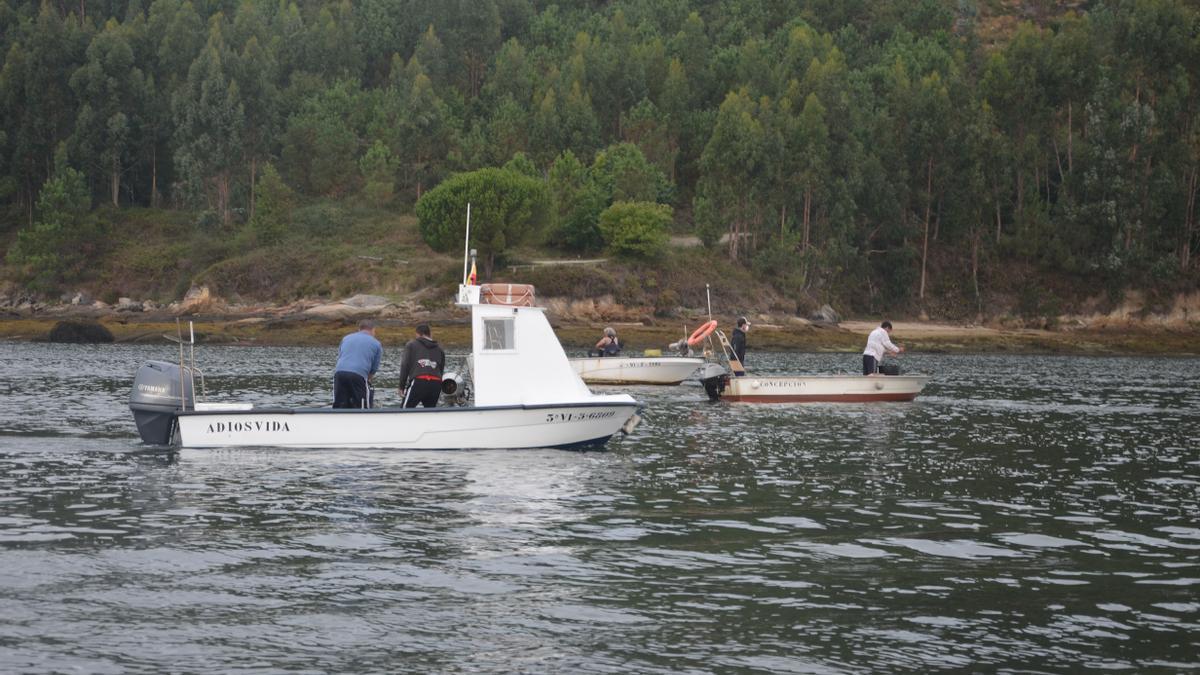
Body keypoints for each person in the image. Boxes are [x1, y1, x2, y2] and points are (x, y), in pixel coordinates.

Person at [333, 319, 382, 409]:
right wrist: (368, 379)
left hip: (339, 372)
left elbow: (340, 355)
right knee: (362, 404)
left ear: (359, 329)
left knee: (340, 403)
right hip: (358, 374)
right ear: (373, 330)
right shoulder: (376, 343)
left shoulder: (346, 338)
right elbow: (374, 368)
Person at [398, 323, 446, 408]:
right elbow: (441, 368)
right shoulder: (439, 348)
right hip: (436, 383)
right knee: (430, 412)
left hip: (419, 381)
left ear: (418, 334)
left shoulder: (411, 345)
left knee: (405, 411)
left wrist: (401, 386)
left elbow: (405, 365)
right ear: (430, 334)